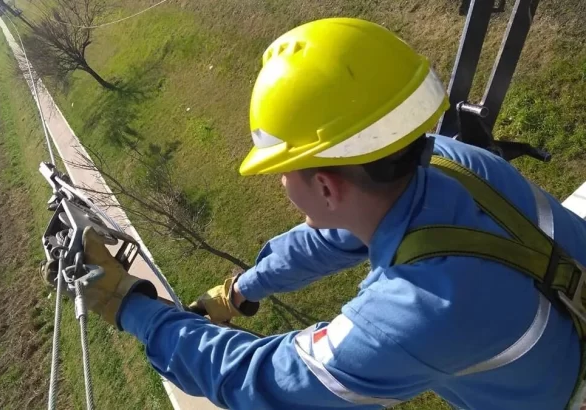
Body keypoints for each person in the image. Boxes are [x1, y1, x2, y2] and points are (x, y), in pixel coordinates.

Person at [54, 18, 586, 409]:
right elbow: (331, 239)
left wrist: (131, 307)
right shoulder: (448, 161)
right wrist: (239, 290)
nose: (282, 184)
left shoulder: (415, 313)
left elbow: (262, 379)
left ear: (327, 186)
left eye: (283, 170)